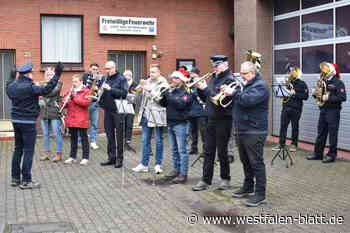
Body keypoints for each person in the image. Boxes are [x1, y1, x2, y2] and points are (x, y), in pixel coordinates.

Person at [6, 62, 63, 189]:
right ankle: (26, 180)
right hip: (28, 122)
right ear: (28, 74)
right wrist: (57, 74)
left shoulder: (13, 86)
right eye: (31, 73)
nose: (32, 75)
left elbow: (8, 85)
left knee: (18, 149)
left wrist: (11, 76)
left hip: (16, 121)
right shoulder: (31, 87)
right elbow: (47, 89)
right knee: (28, 151)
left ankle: (15, 178)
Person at [224, 61, 270, 207]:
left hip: (254, 130)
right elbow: (238, 102)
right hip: (242, 128)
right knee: (245, 161)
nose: (242, 76)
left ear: (252, 72)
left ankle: (260, 193)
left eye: (244, 74)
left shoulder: (261, 86)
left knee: (256, 162)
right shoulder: (246, 84)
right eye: (241, 73)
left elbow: (248, 100)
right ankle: (248, 186)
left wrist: (233, 92)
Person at [192, 55, 234, 191]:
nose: (214, 68)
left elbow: (222, 102)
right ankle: (205, 180)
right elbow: (207, 99)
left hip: (223, 119)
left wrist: (206, 89)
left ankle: (225, 179)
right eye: (213, 66)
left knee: (222, 151)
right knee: (208, 150)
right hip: (210, 118)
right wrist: (199, 88)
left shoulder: (229, 79)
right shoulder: (214, 78)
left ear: (225, 65)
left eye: (217, 66)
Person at [307, 62, 346, 163]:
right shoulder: (322, 81)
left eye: (326, 68)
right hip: (323, 110)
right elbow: (319, 95)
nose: (324, 70)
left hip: (333, 111)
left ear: (332, 70)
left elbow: (342, 97)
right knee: (321, 133)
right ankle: (318, 154)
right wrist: (315, 94)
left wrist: (329, 97)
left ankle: (331, 155)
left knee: (332, 134)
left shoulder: (338, 82)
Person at [159, 71, 193, 183]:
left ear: (182, 80)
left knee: (182, 150)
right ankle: (176, 170)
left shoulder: (187, 91)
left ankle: (183, 174)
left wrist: (168, 95)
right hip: (171, 122)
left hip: (181, 124)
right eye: (172, 78)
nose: (173, 80)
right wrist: (163, 96)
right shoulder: (171, 91)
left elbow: (180, 104)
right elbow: (164, 104)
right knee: (174, 149)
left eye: (176, 78)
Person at [132, 64, 167, 174]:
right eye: (150, 72)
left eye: (153, 72)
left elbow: (159, 99)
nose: (151, 74)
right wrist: (139, 88)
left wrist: (149, 90)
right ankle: (144, 164)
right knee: (145, 140)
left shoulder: (163, 84)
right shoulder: (147, 81)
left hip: (156, 115)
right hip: (145, 114)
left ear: (159, 73)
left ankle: (158, 164)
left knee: (158, 140)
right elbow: (137, 94)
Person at [99, 61, 128, 168]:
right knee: (109, 135)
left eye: (109, 68)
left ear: (114, 68)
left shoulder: (121, 79)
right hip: (107, 110)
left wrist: (110, 89)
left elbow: (124, 94)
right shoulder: (105, 78)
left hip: (118, 111)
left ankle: (120, 159)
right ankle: (111, 158)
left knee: (119, 135)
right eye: (106, 69)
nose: (107, 71)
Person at [272, 67, 309, 152]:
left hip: (296, 108)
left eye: (294, 72)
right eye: (291, 72)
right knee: (283, 126)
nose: (292, 74)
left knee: (294, 127)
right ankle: (281, 144)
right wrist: (281, 93)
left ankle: (294, 144)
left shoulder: (302, 84)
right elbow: (282, 93)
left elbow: (305, 97)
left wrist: (295, 93)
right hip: (286, 106)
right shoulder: (287, 82)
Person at [63, 75, 92, 165]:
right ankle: (72, 156)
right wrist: (65, 100)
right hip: (71, 117)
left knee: (84, 138)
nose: (73, 83)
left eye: (75, 81)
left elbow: (86, 103)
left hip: (81, 118)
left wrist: (74, 97)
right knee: (73, 138)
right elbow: (66, 104)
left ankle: (85, 157)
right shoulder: (71, 91)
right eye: (73, 81)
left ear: (81, 82)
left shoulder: (86, 91)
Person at [39, 67, 64, 162]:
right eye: (47, 75)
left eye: (51, 75)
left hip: (54, 111)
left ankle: (58, 154)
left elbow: (51, 93)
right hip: (44, 112)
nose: (49, 76)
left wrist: (41, 89)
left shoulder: (58, 83)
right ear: (45, 76)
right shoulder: (43, 85)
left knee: (57, 133)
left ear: (54, 76)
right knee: (45, 134)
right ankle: (46, 153)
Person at [82, 63, 103, 150]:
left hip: (94, 103)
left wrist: (97, 89)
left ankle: (93, 141)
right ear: (90, 69)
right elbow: (82, 87)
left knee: (94, 123)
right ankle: (81, 140)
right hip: (85, 103)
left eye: (96, 69)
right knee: (83, 123)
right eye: (93, 69)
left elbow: (102, 90)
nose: (94, 70)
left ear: (98, 70)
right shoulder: (85, 76)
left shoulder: (101, 77)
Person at [187, 67, 208, 155]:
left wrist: (195, 88)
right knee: (193, 132)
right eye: (191, 73)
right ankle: (194, 148)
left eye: (192, 73)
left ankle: (205, 149)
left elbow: (202, 95)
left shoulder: (202, 82)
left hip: (200, 111)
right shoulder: (189, 83)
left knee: (203, 132)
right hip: (191, 111)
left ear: (196, 74)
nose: (191, 75)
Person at [123, 69, 138, 151]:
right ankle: (122, 142)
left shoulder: (135, 84)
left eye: (128, 75)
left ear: (131, 76)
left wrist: (132, 95)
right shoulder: (122, 84)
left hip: (131, 107)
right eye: (125, 75)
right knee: (122, 124)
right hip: (122, 107)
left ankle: (128, 142)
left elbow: (137, 96)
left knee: (129, 124)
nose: (127, 76)